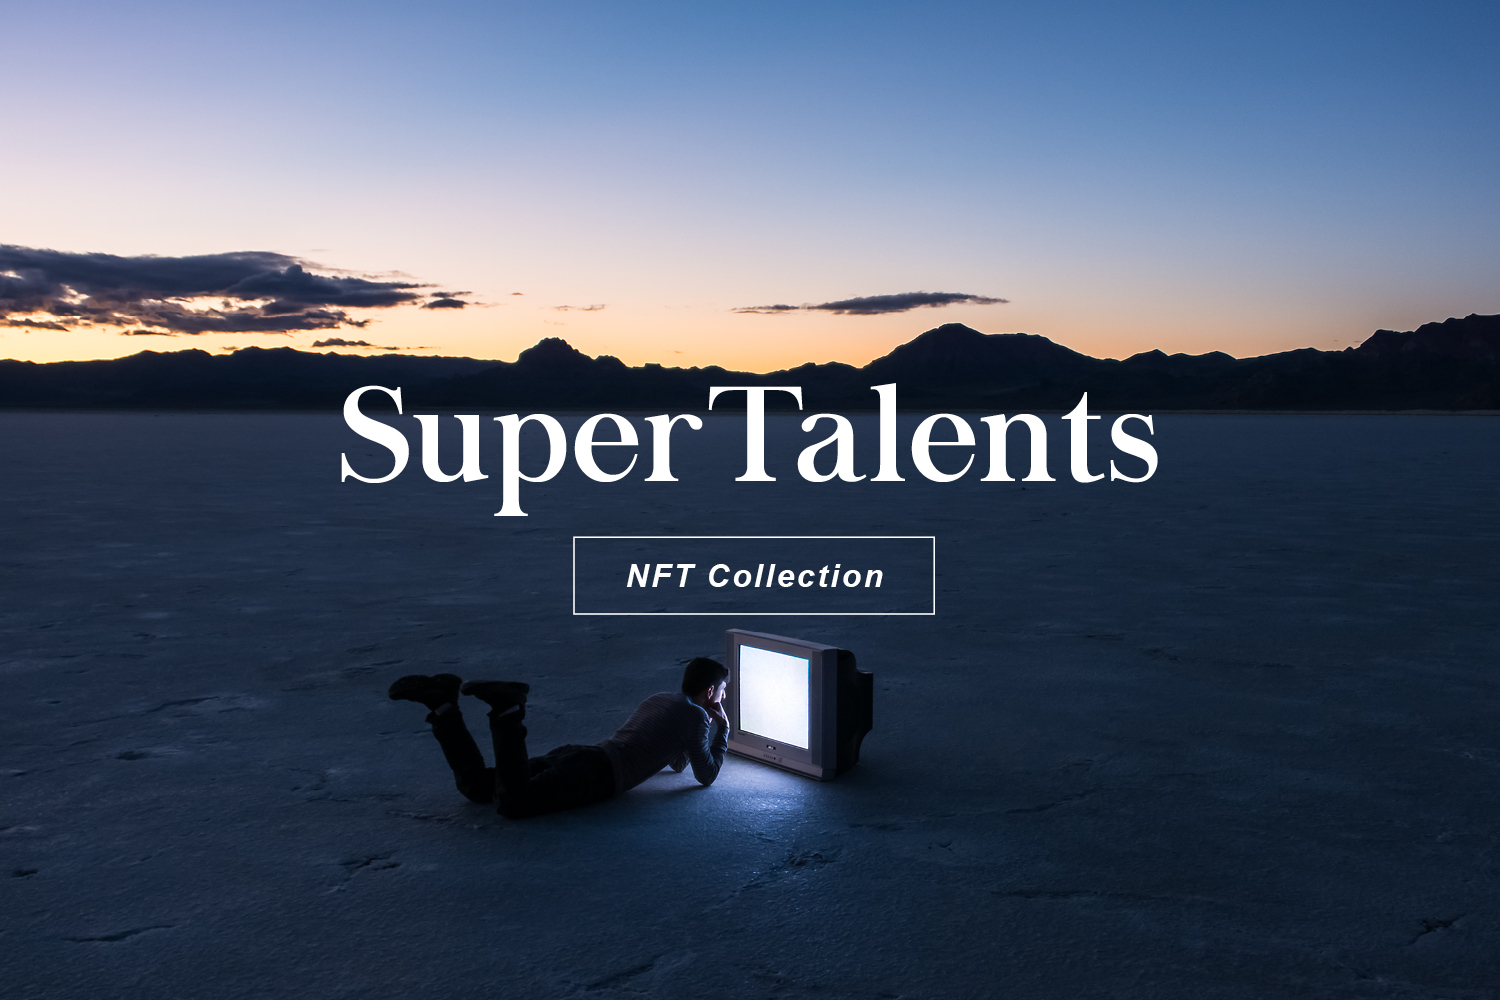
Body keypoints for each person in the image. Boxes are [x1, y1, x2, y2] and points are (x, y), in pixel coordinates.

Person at [387, 657, 730, 819]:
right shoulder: (696, 717)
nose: (724, 698)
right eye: (723, 692)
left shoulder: (659, 699)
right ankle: (507, 710)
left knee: (478, 787)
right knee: (514, 803)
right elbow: (706, 775)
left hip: (581, 755)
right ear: (711, 690)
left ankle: (443, 704)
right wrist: (722, 729)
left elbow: (675, 760)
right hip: (598, 775)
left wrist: (694, 733)